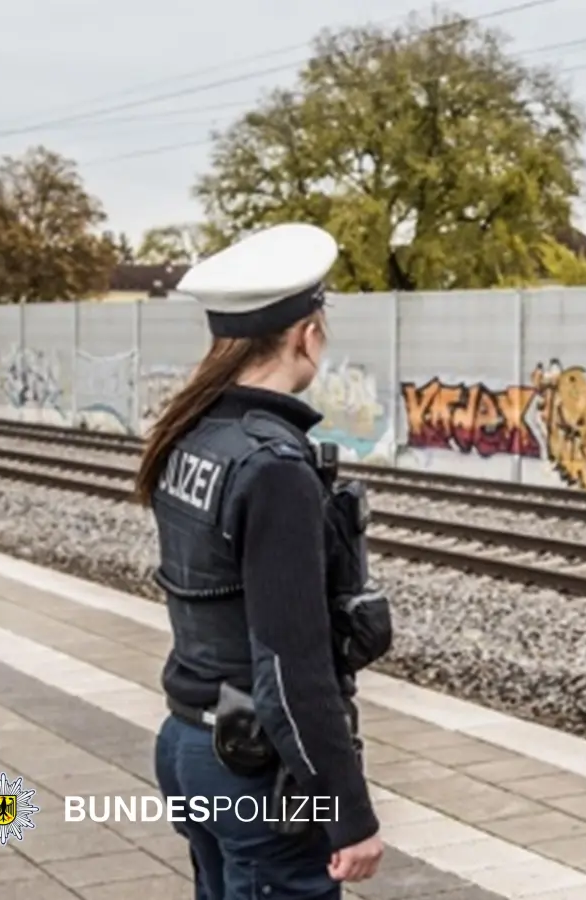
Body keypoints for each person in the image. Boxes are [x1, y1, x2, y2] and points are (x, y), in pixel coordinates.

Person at [135, 223, 387, 899]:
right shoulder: (273, 468)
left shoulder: (193, 436)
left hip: (191, 744)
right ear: (308, 334)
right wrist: (348, 812)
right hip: (252, 770)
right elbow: (289, 665)